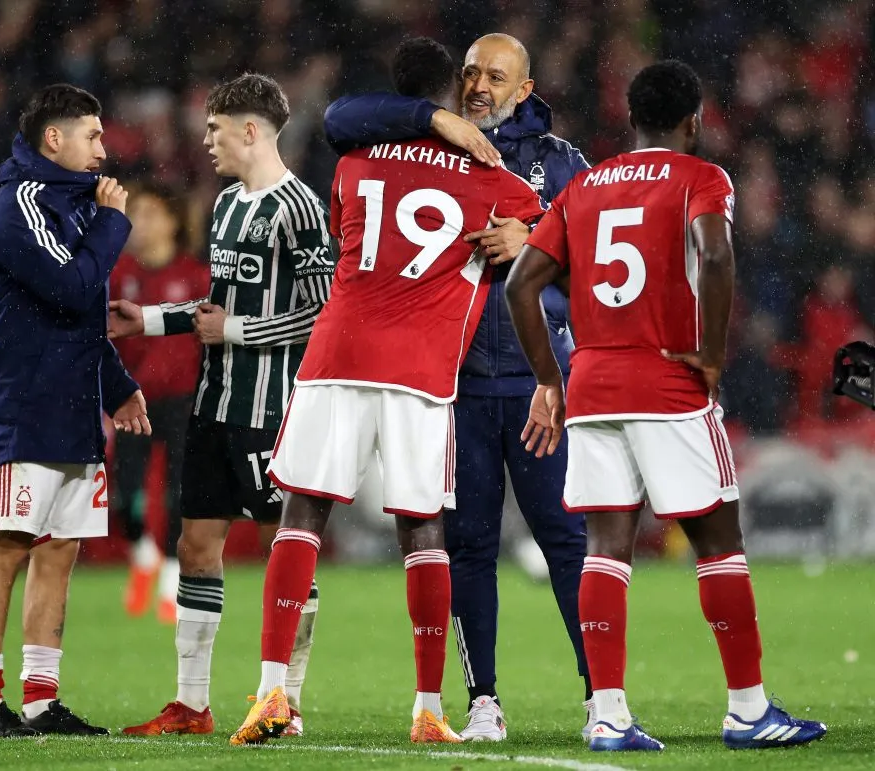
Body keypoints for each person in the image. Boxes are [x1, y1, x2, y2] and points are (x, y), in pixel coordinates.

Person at [229, 37, 545, 747]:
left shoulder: (354, 161)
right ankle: (428, 708)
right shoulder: (490, 176)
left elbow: (347, 205)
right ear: (451, 93)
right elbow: (552, 231)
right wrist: (526, 232)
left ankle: (272, 690)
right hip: (420, 370)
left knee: (303, 515)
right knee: (422, 528)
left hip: (338, 353)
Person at [505, 59, 827, 752]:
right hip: (666, 381)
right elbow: (716, 256)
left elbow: (520, 285)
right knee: (718, 541)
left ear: (631, 119)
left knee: (605, 548)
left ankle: (608, 715)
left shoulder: (584, 187)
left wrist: (550, 380)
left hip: (592, 386)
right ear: (693, 121)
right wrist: (711, 353)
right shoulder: (701, 177)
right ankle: (748, 710)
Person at [324, 32, 593, 741]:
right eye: (471, 73)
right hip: (455, 384)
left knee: (566, 541)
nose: (478, 86)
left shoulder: (561, 163)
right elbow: (339, 118)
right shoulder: (434, 145)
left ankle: (604, 697)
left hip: (539, 385)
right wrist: (434, 118)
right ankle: (483, 701)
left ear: (525, 89)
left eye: (496, 77)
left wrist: (535, 242)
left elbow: (603, 266)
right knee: (470, 546)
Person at [110, 73, 333, 738]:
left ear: (250, 130)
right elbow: (216, 307)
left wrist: (236, 331)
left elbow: (323, 314)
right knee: (196, 544)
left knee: (282, 548)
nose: (205, 140)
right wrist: (149, 319)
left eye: (214, 129)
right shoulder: (228, 204)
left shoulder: (301, 208)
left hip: (271, 411)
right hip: (212, 404)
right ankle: (191, 704)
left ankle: (286, 700)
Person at [0, 83, 149, 738]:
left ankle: (42, 701)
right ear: (54, 138)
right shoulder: (20, 202)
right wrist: (114, 223)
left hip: (73, 408)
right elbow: (72, 285)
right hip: (26, 405)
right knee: (8, 544)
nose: (103, 148)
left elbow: (83, 315)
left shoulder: (74, 205)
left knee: (60, 549)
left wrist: (116, 386)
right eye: (92, 135)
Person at [110, 182, 211, 624]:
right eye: (136, 214)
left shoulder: (197, 277)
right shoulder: (119, 275)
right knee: (123, 497)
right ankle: (143, 554)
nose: (141, 223)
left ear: (173, 222)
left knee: (177, 496)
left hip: (184, 403)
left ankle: (171, 585)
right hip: (133, 401)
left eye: (151, 214)